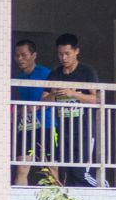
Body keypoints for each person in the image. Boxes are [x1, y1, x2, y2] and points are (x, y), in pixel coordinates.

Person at [44, 33, 100, 187]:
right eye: (60, 54)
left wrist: (74, 94)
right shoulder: (54, 74)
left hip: (84, 132)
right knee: (65, 173)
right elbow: (43, 102)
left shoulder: (87, 71)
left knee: (81, 172)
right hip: (62, 132)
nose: (64, 58)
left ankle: (104, 189)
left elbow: (97, 99)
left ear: (76, 51)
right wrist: (54, 94)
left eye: (67, 53)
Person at [11, 38, 53, 185]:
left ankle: (57, 198)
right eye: (17, 55)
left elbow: (53, 96)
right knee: (21, 168)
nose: (19, 59)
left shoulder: (46, 73)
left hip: (46, 125)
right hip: (25, 126)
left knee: (50, 167)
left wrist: (35, 107)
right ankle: (19, 198)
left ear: (34, 55)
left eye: (23, 55)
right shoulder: (19, 77)